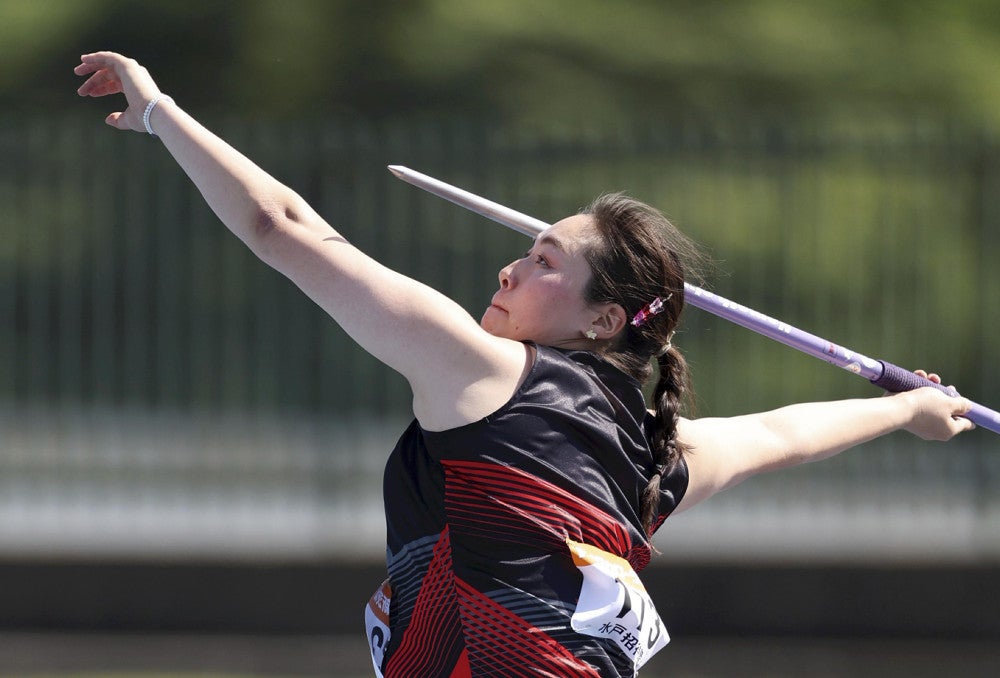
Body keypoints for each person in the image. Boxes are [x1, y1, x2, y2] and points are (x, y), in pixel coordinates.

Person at [75, 52, 975, 678]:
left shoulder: (484, 376)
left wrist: (161, 113)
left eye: (545, 260)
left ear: (604, 319)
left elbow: (287, 229)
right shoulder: (654, 456)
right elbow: (783, 434)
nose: (509, 267)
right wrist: (905, 411)